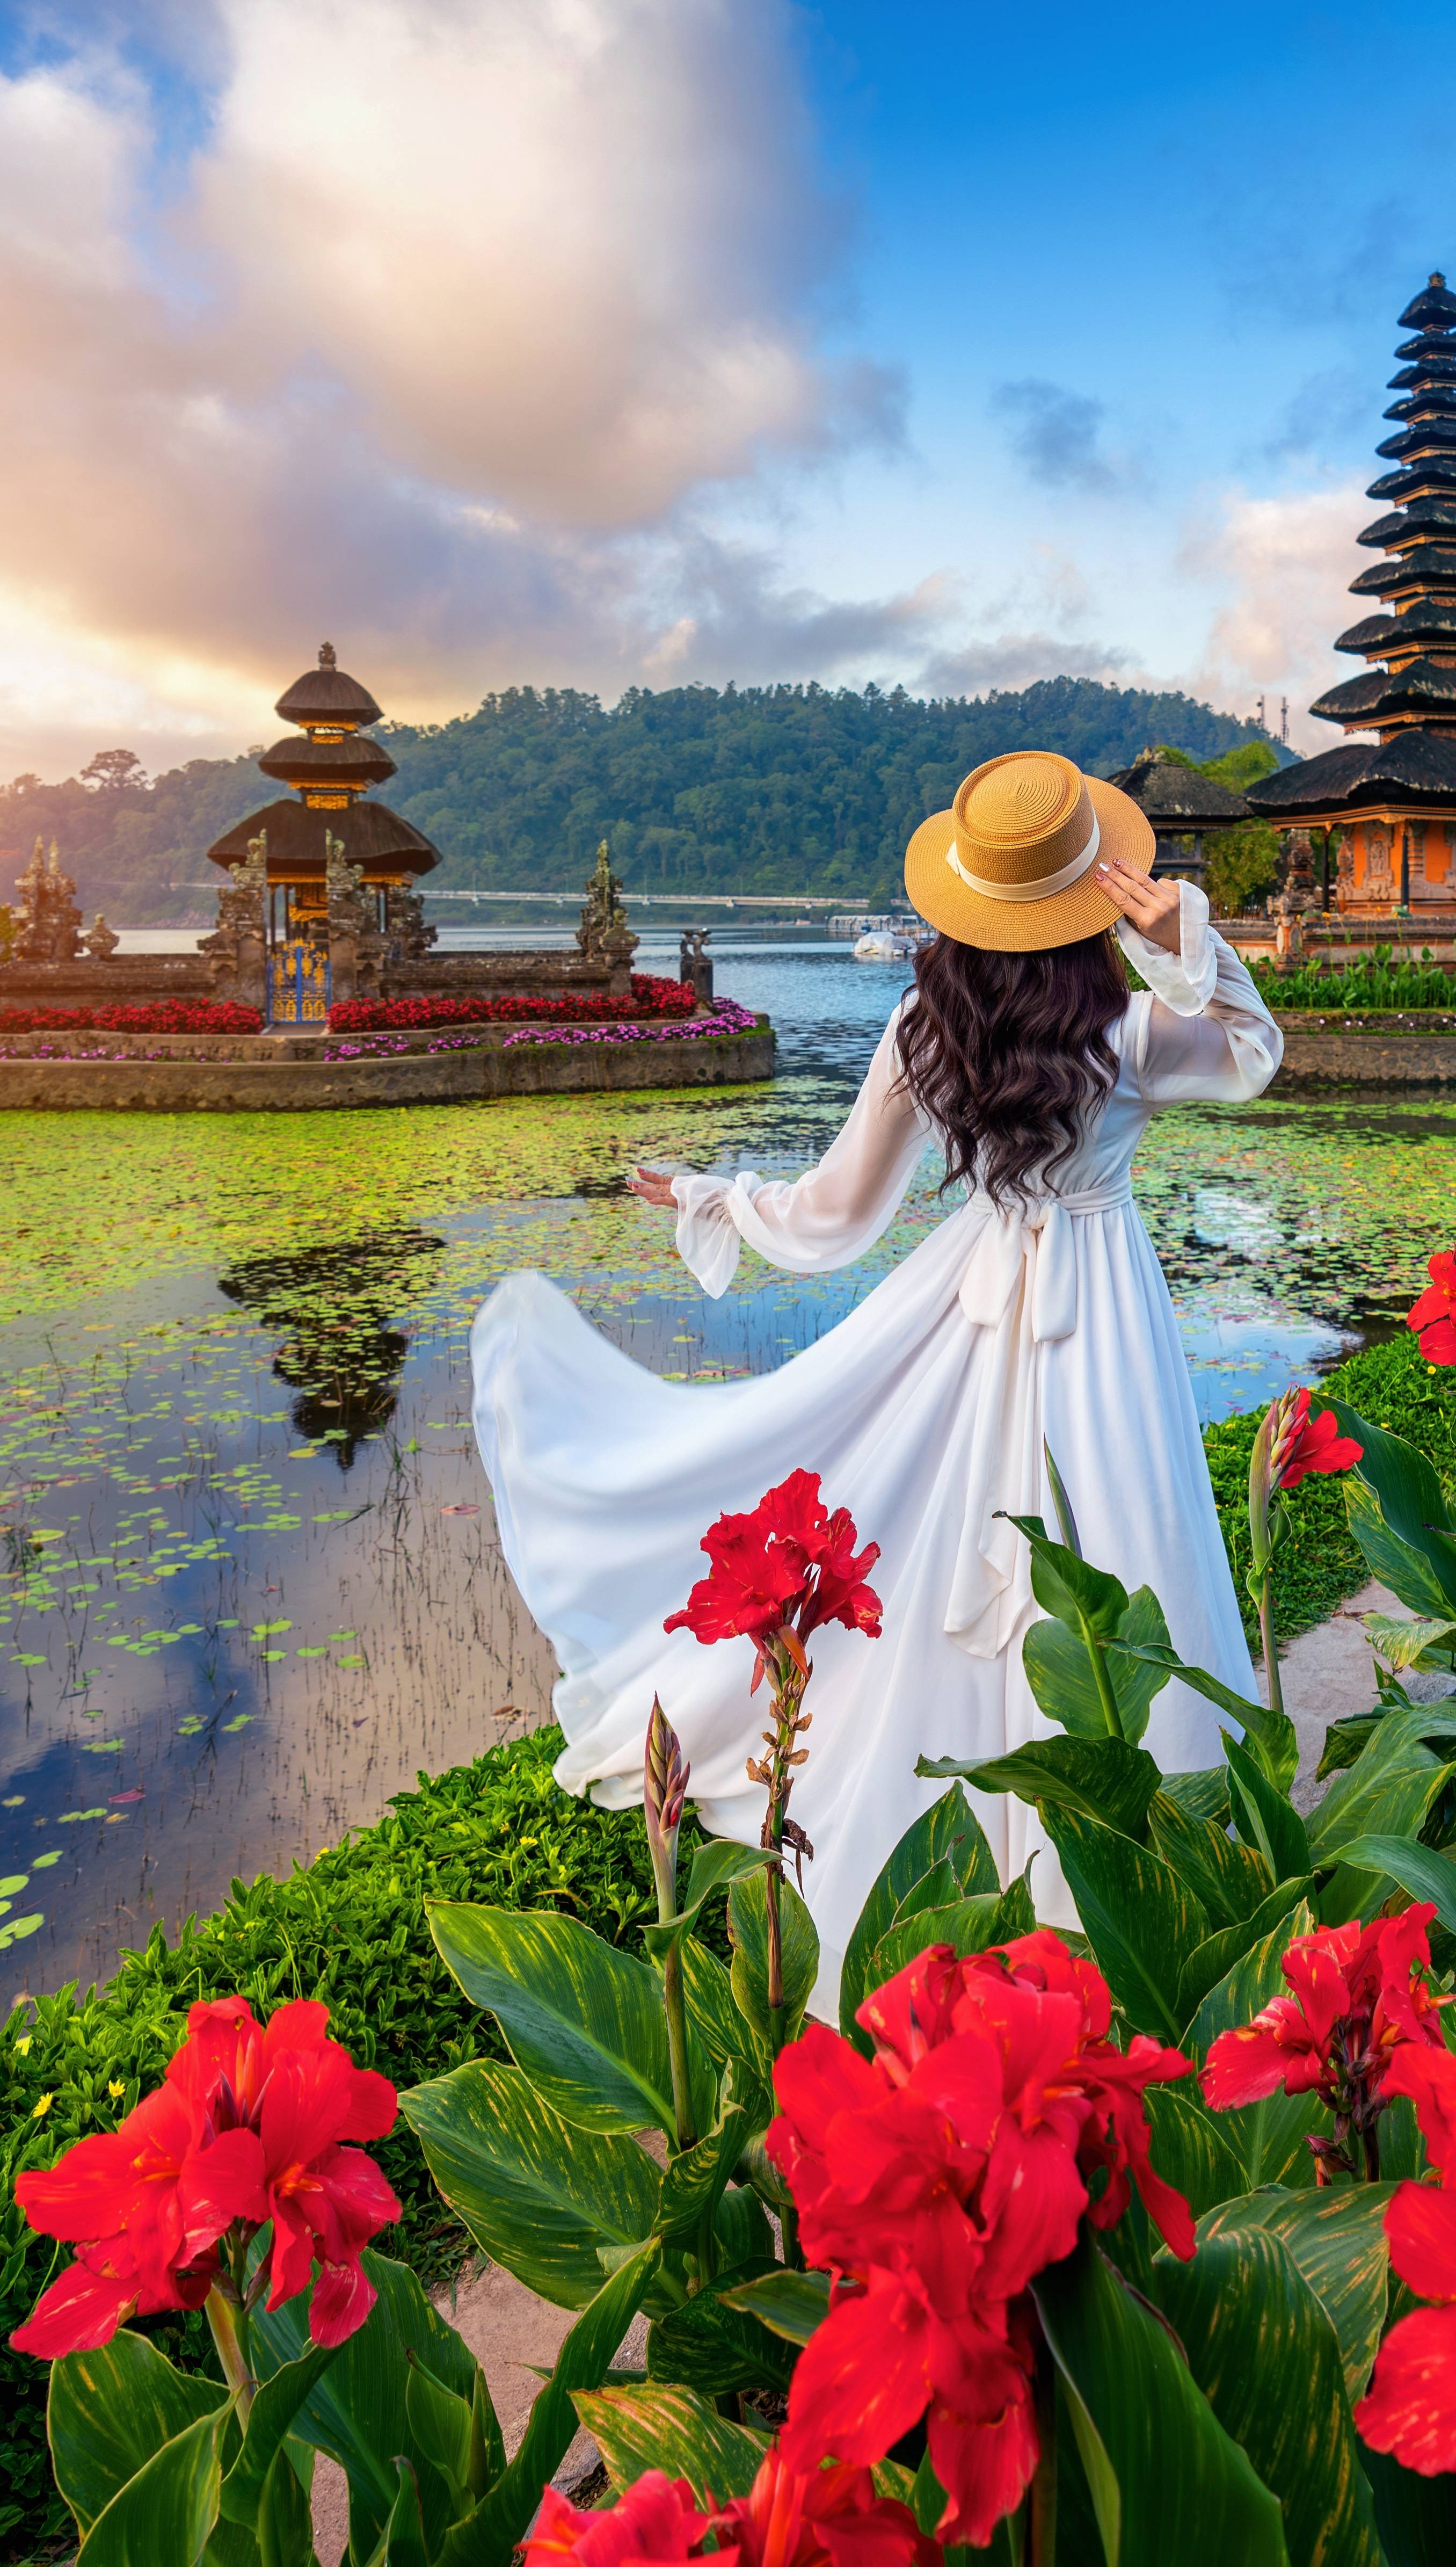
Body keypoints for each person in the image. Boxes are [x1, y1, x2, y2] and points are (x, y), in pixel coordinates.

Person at [469, 750, 1284, 2010]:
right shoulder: (1126, 1032)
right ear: (1083, 905)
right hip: (1103, 1317)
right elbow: (1253, 1052)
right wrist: (1189, 941)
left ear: (967, 902)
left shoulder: (924, 1028)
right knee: (1123, 1535)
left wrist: (714, 1195)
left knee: (956, 1550)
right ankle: (1138, 1874)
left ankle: (963, 1880)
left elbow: (835, 1211)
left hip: (976, 1295)